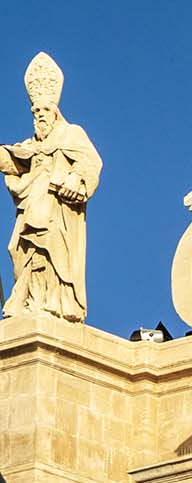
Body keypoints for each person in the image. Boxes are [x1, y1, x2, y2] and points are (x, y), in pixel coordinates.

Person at [0, 53, 102, 323]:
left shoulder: (71, 135)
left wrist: (74, 179)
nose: (39, 116)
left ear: (54, 111)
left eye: (43, 111)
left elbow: (92, 163)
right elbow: (12, 161)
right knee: (23, 250)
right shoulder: (30, 144)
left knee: (53, 251)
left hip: (58, 213)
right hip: (32, 207)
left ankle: (57, 302)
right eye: (35, 112)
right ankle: (31, 300)